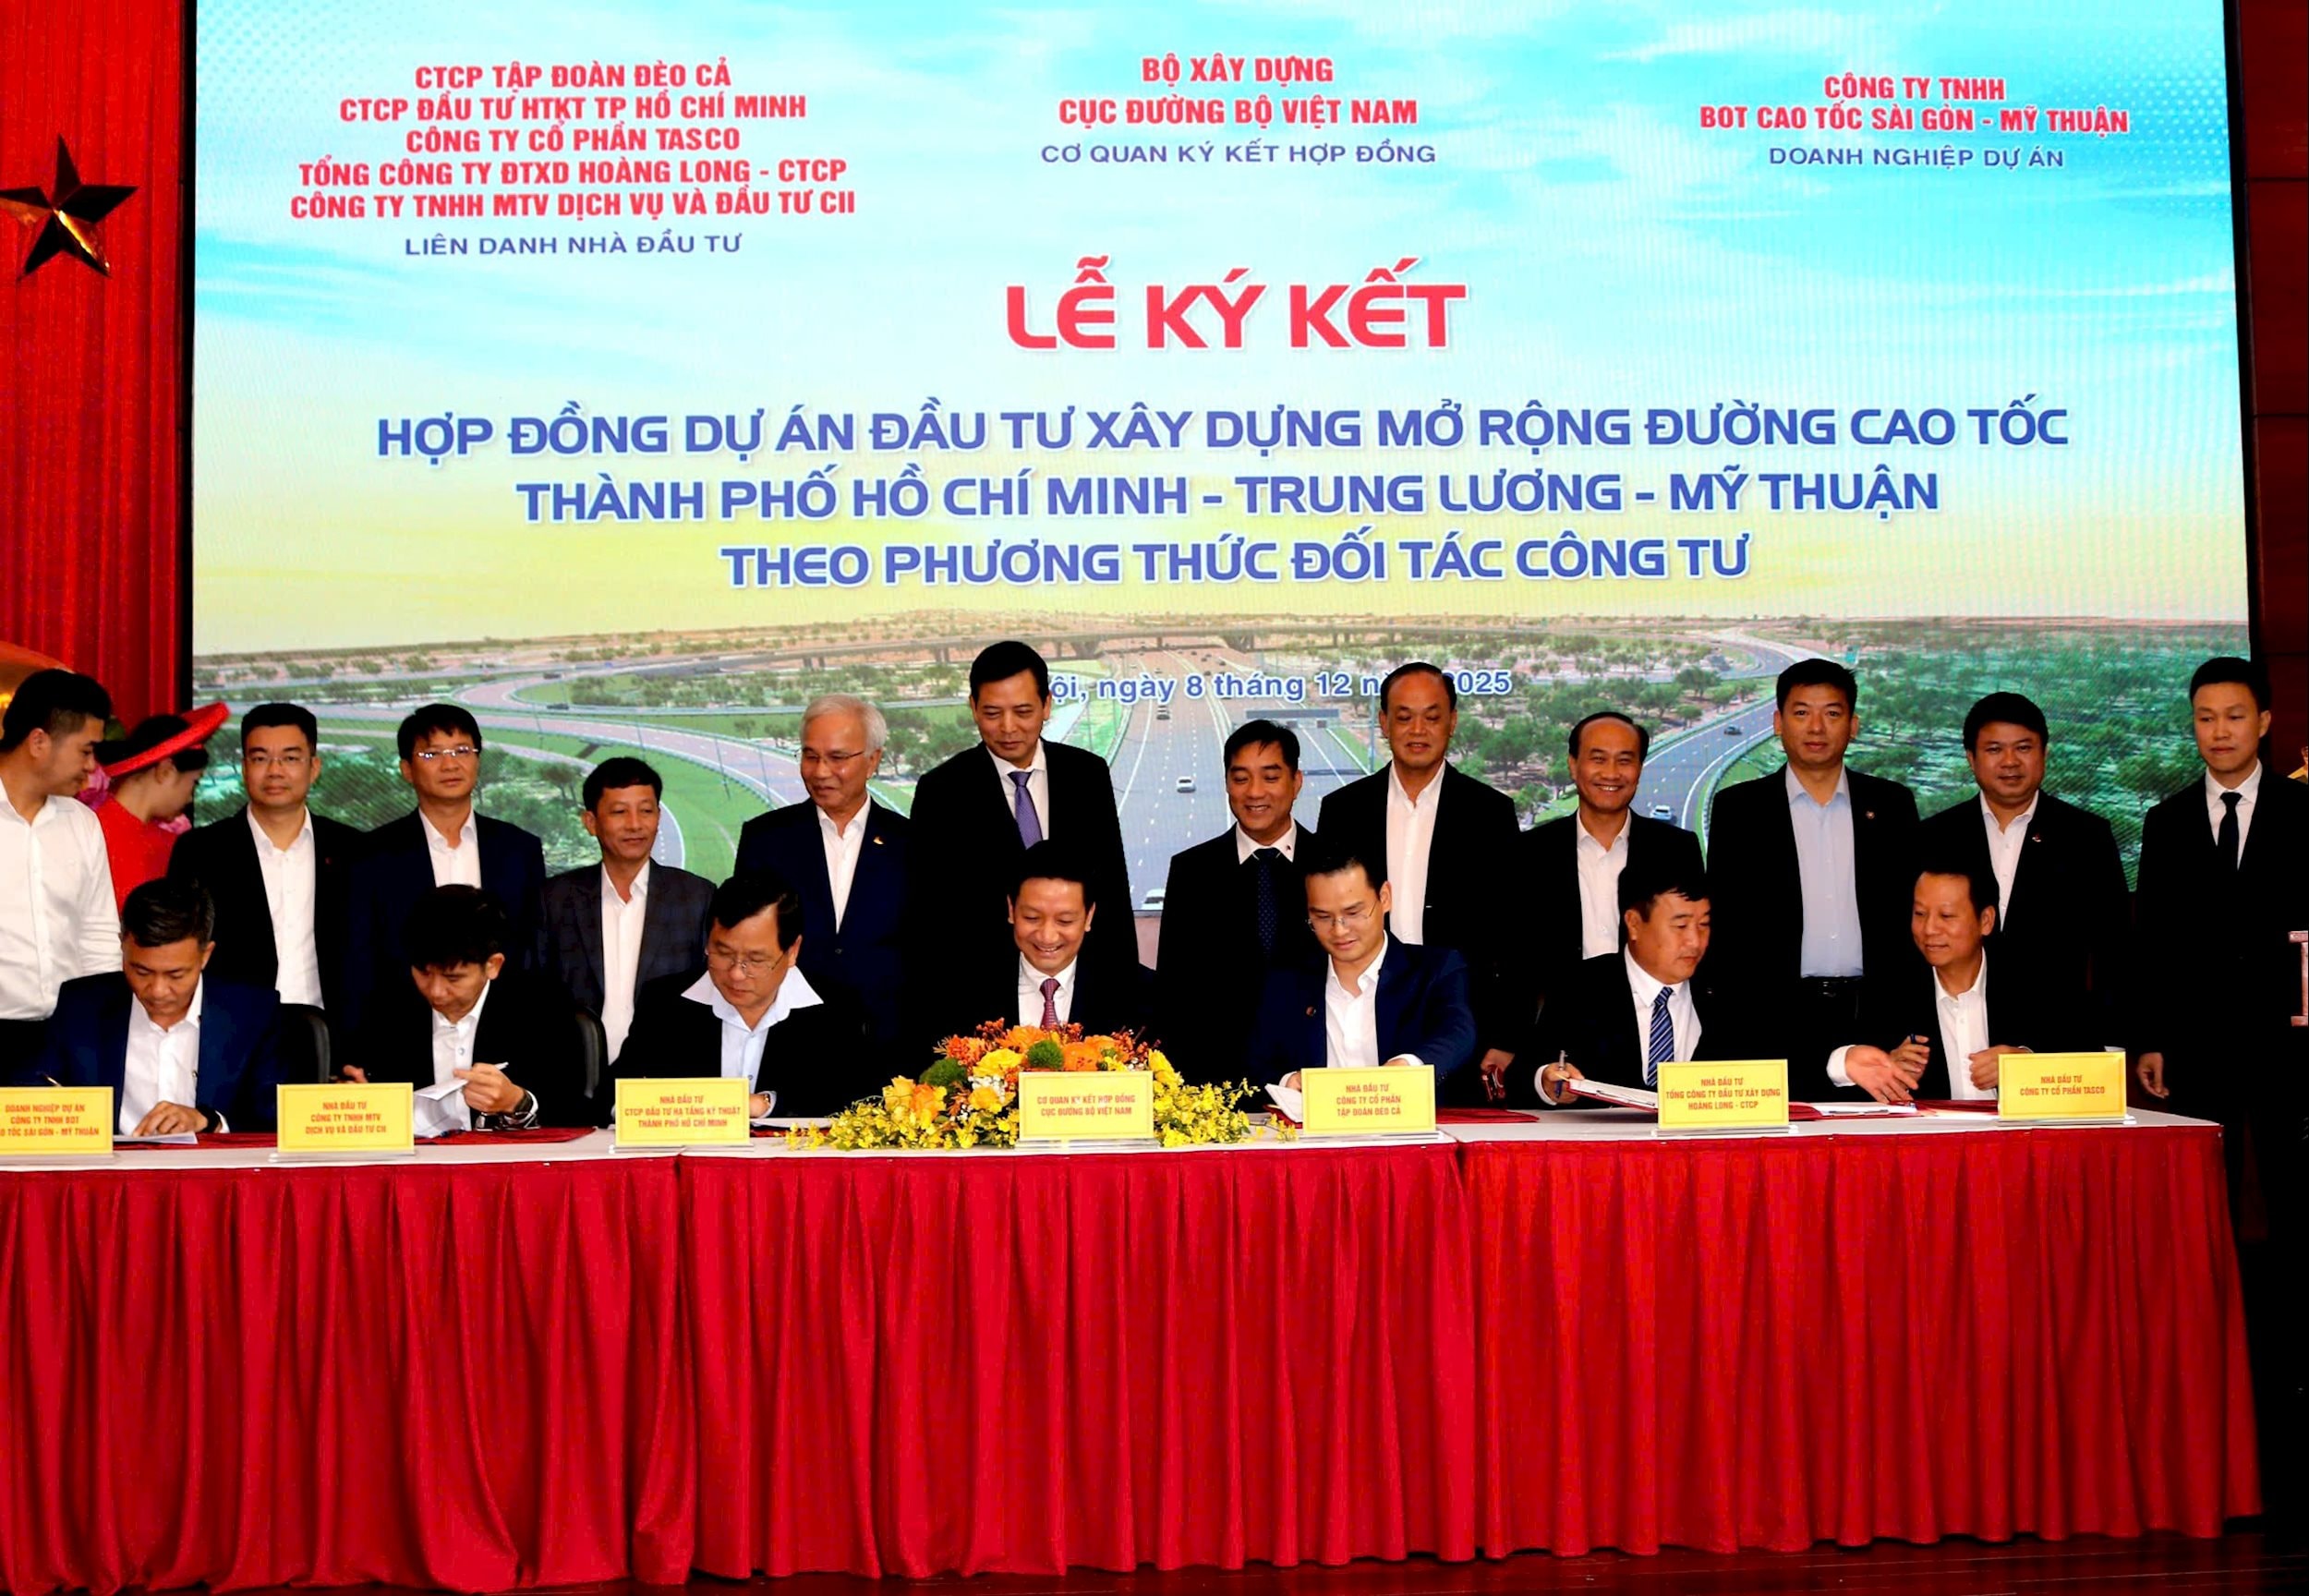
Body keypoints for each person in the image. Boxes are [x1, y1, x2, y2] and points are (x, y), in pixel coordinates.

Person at [1705, 659, 1920, 1082]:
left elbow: (1910, 918)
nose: (1816, 728)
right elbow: (1727, 927)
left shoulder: (1892, 805)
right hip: (1773, 1020)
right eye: (1802, 712)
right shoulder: (1740, 810)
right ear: (1778, 723)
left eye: (1832, 714)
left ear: (1853, 726)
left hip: (1877, 1017)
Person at [1314, 662, 1520, 1100]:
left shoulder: (1490, 812)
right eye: (1404, 717)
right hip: (1362, 1017)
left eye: (1432, 716)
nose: (1418, 730)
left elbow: (1513, 931)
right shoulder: (1343, 810)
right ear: (1384, 722)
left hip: (1462, 1023)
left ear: (1453, 722)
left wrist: (1504, 1035)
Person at [908, 641, 1132, 1014]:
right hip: (979, 995)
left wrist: (1121, 986)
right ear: (973, 708)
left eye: (1023, 711)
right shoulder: (942, 790)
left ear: (1047, 705)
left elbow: (1111, 888)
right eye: (992, 713)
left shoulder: (1086, 774)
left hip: (1080, 987)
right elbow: (929, 913)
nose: (1008, 728)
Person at [1506, 710, 1704, 1097]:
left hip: (1648, 1029)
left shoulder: (1675, 848)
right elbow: (1512, 953)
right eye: (1598, 759)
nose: (1611, 773)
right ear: (1573, 764)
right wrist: (1508, 1039)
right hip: (1559, 1033)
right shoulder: (1530, 852)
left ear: (1640, 768)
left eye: (1624, 760)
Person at [1916, 692, 2129, 1046]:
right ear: (1971, 758)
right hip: (1957, 1035)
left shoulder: (2086, 836)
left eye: (2024, 748)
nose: (2010, 762)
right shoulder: (1934, 836)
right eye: (1994, 749)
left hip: (2059, 1038)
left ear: (2044, 753)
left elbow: (2114, 946)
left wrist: (2113, 1043)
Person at [342, 704, 547, 1032]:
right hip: (403, 1032)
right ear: (407, 769)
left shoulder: (519, 849)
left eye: (462, 751)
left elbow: (532, 952)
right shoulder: (371, 855)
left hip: (505, 1029)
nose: (450, 764)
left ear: (478, 760)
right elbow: (359, 960)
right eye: (432, 754)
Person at [604, 869, 869, 1119]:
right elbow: (612, 1098)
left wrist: (765, 1104)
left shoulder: (836, 1010)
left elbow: (857, 1103)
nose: (736, 974)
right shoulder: (665, 1003)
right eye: (723, 953)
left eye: (755, 960)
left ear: (792, 951)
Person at [26, 877, 283, 1133]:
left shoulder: (252, 1013)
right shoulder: (81, 1006)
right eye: (142, 971)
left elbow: (275, 1116)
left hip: (210, 1159)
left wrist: (209, 1122)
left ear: (205, 955)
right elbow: (30, 1095)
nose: (158, 991)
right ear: (122, 945)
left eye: (176, 975)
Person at [733, 695, 911, 1060]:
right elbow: (746, 941)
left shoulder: (913, 843)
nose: (820, 771)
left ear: (873, 760)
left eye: (837, 758)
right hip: (791, 1041)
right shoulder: (765, 839)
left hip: (891, 1042)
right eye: (810, 756)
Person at [1825, 863, 2085, 1105]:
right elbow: (1831, 1078)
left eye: (1946, 916)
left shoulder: (2037, 982)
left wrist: (2028, 1063)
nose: (1929, 929)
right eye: (1920, 914)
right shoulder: (1889, 990)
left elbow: (2091, 1064)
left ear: (1986, 920)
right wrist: (1888, 1073)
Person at [1155, 719, 1323, 1084]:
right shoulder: (1192, 871)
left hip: (1316, 1075)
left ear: (1296, 782)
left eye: (1270, 777)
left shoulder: (1333, 864)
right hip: (1218, 1079)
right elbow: (1174, 991)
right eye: (1241, 778)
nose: (1254, 792)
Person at [167, 703, 360, 1012]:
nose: (275, 771)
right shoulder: (200, 850)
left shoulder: (353, 848)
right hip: (235, 1025)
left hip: (332, 1029)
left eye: (290, 758)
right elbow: (180, 948)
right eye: (260, 759)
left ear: (314, 768)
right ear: (244, 768)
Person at [344, 885, 584, 1130]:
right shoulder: (386, 1007)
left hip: (503, 1153)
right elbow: (361, 1085)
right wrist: (360, 1099)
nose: (436, 991)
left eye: (453, 978)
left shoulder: (541, 1007)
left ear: (493, 965)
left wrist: (516, 1102)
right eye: (424, 973)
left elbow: (572, 1109)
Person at [1245, 841, 1476, 1088]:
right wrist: (1288, 1081)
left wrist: (1408, 1067)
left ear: (1384, 898)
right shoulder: (1287, 981)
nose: (1339, 930)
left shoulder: (1436, 969)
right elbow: (1258, 1064)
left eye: (1353, 913)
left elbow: (1457, 1032)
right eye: (1322, 917)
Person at [541, 756, 712, 1060]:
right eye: (619, 812)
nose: (635, 824)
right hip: (574, 1070)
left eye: (646, 811)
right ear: (591, 822)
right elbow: (534, 995)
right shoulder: (554, 899)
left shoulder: (697, 897)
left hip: (665, 1071)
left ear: (658, 816)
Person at [1527, 857, 1732, 1106]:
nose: (1695, 941)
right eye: (1680, 926)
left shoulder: (1731, 994)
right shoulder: (1580, 988)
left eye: (1703, 925)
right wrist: (1548, 1083)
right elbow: (1524, 1076)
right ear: (1634, 924)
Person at [0, 670, 118, 1081]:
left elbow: (99, 935)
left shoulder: (81, 822)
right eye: (86, 751)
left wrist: (101, 1028)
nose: (91, 766)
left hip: (68, 1040)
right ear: (38, 742)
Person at [949, 840, 1149, 1036]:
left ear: (1089, 916)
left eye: (1064, 921)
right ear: (1011, 910)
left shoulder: (1140, 993)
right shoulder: (962, 991)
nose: (1047, 937)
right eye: (1032, 918)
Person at [92, 705, 227, 910]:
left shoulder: (171, 845)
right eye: (194, 782)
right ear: (166, 770)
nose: (190, 798)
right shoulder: (90, 832)